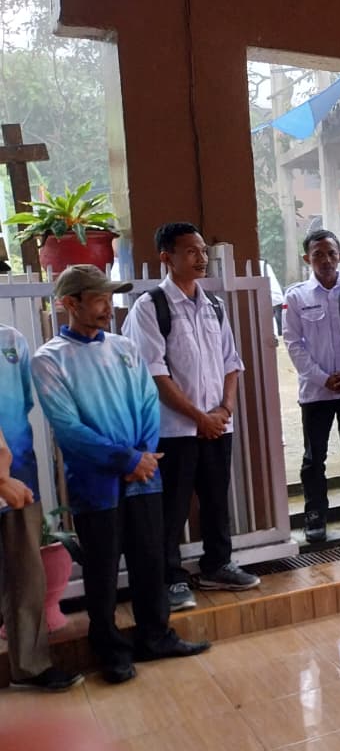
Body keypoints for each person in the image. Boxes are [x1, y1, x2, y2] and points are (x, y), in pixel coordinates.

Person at [33, 265, 209, 684]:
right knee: (102, 568)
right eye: (98, 299)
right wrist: (128, 461)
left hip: (144, 474)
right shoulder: (49, 359)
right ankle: (109, 649)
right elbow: (68, 429)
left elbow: (149, 404)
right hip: (96, 482)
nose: (107, 308)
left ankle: (156, 636)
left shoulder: (125, 348)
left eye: (109, 298)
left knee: (150, 558)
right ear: (70, 303)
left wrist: (143, 456)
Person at [122, 222, 260, 611]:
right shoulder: (151, 307)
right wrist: (199, 416)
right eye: (191, 251)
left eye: (203, 251)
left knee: (216, 500)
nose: (201, 258)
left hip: (217, 425)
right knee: (172, 508)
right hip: (174, 430)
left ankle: (217, 565)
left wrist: (224, 410)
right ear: (166, 258)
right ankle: (170, 578)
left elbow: (231, 363)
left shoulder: (214, 305)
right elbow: (154, 373)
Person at [0, 322, 82, 692]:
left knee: (26, 576)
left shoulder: (11, 339)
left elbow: (24, 404)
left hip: (19, 474)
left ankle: (29, 667)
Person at [283, 229, 340, 544]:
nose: (326, 260)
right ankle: (315, 515)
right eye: (318, 254)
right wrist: (322, 378)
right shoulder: (297, 296)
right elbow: (293, 343)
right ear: (307, 259)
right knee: (314, 457)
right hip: (316, 392)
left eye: (331, 253)